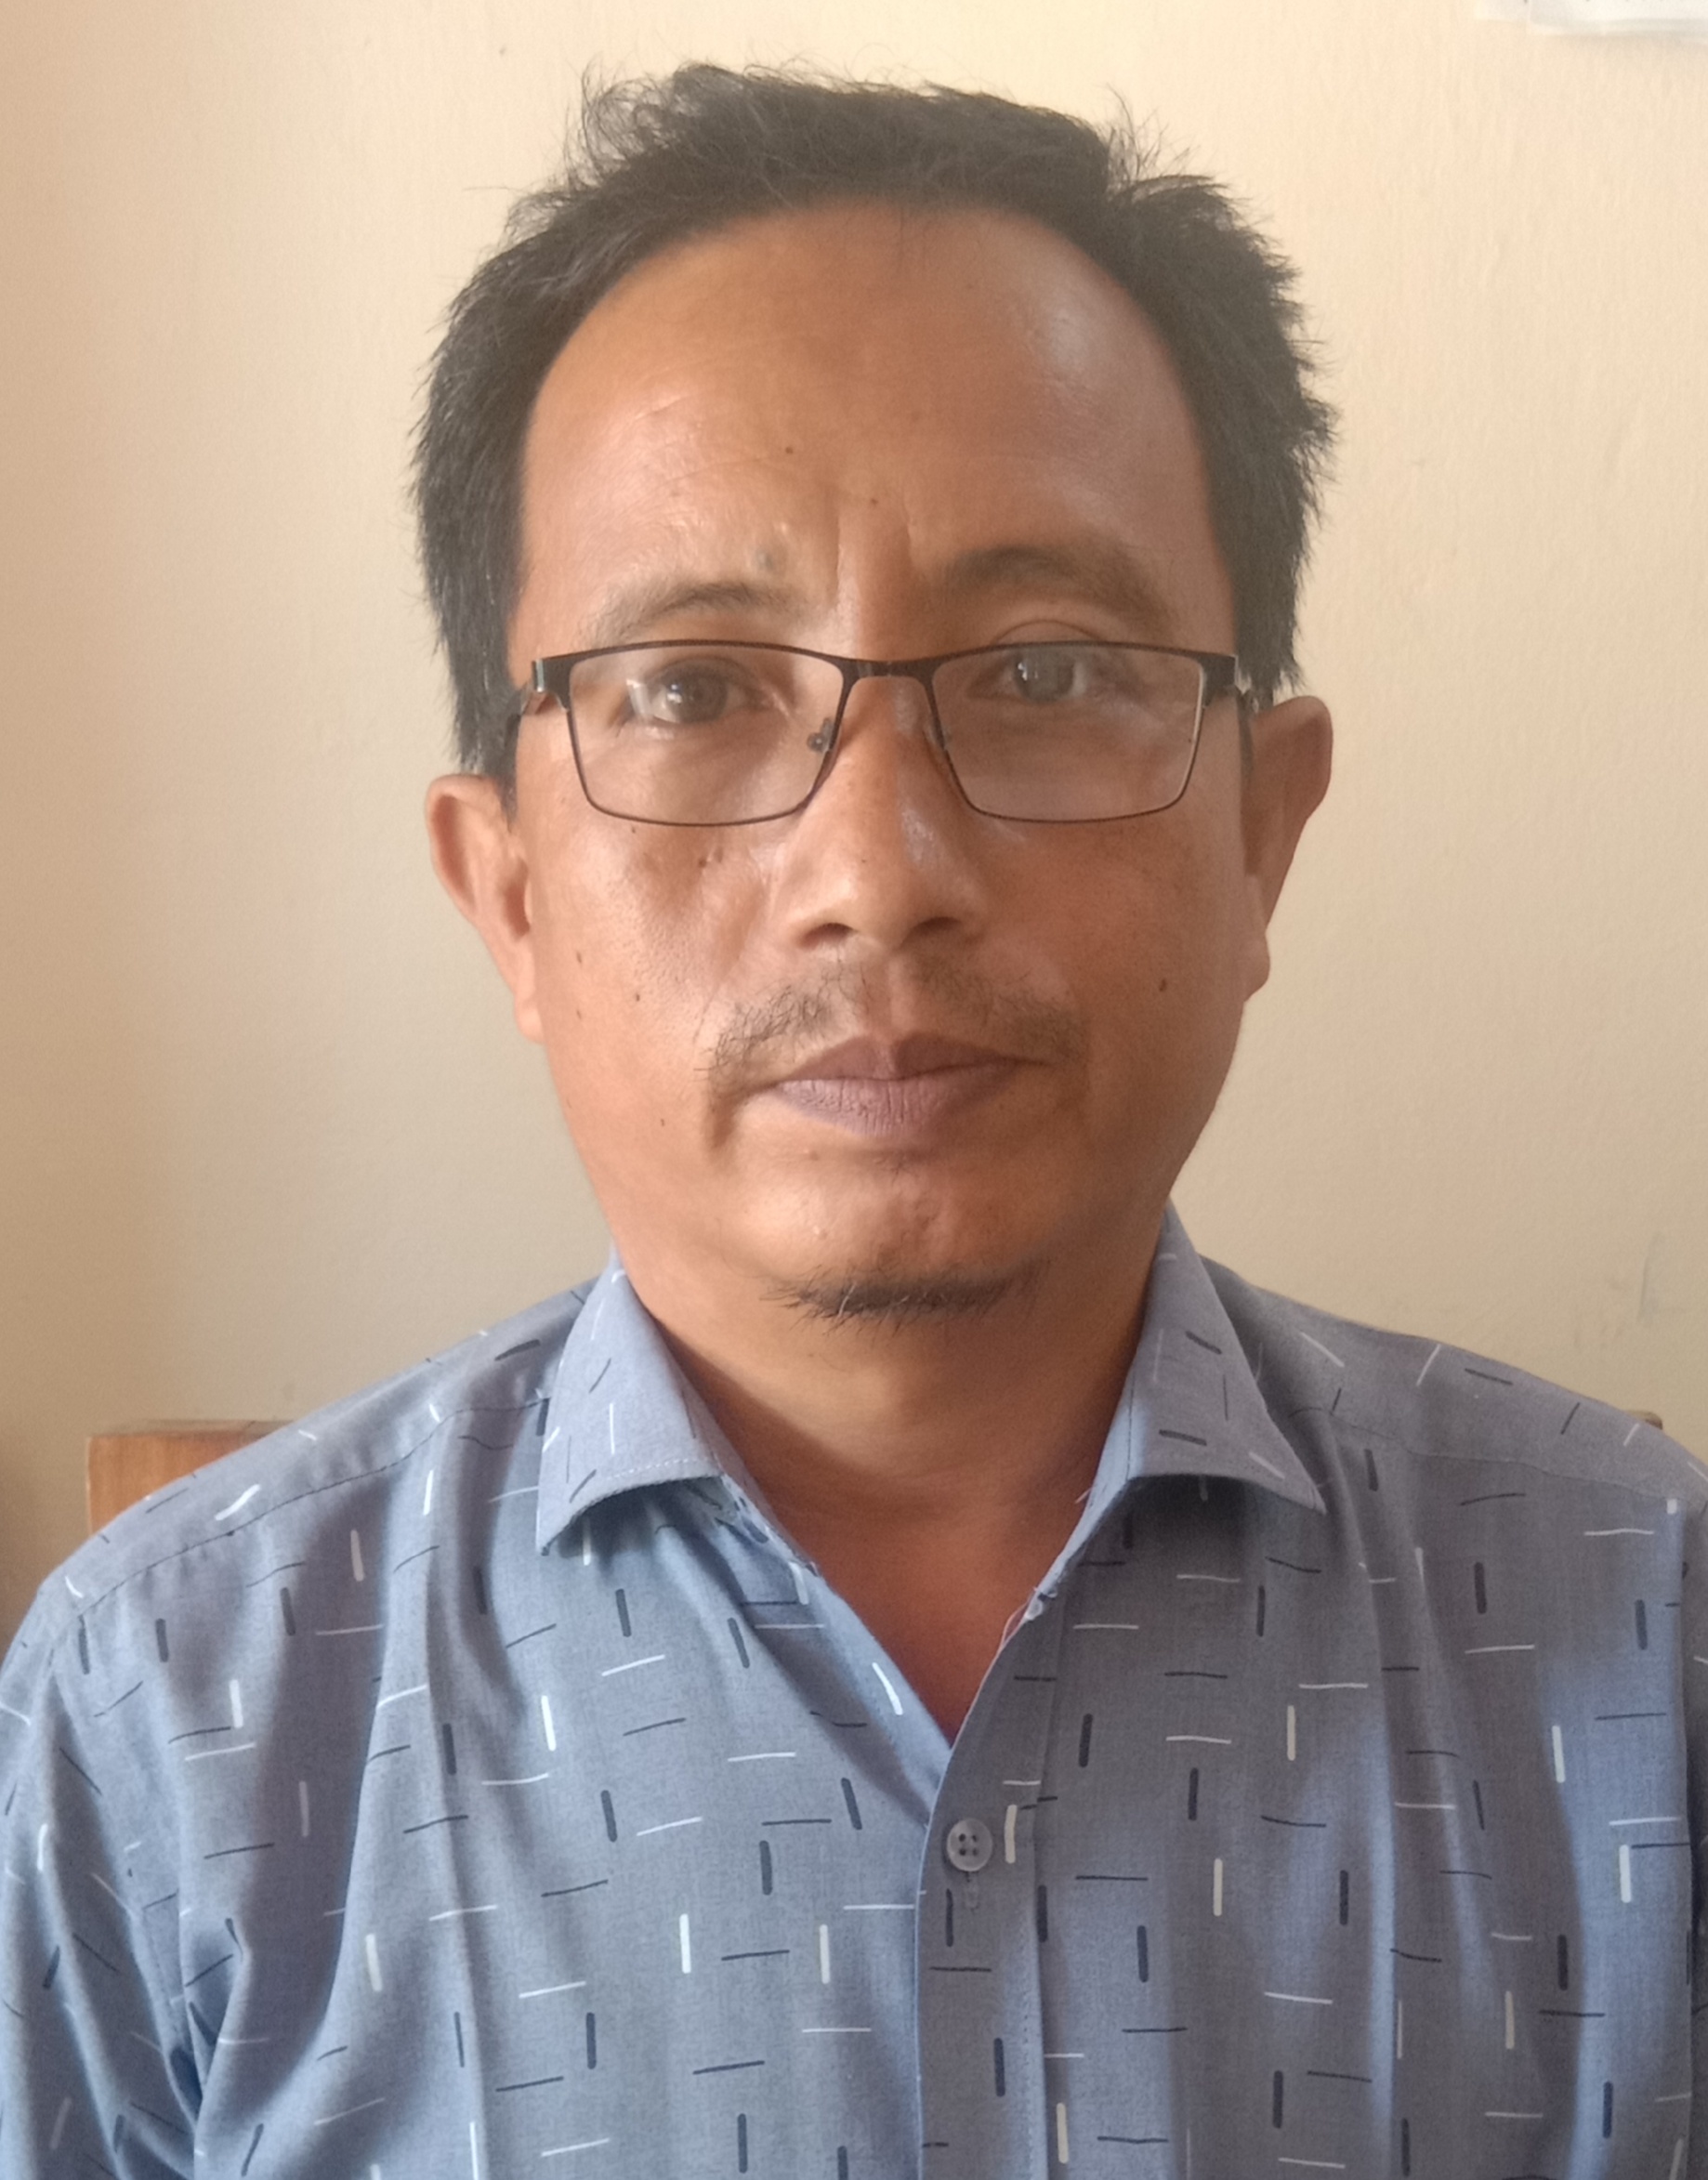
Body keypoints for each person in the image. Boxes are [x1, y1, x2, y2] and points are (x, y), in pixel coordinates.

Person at [1, 64, 1701, 2180]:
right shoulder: (166, 1709)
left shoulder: (1647, 1629)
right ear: (507, 892)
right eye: (693, 690)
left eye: (1046, 669)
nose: (877, 871)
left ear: (1262, 832)